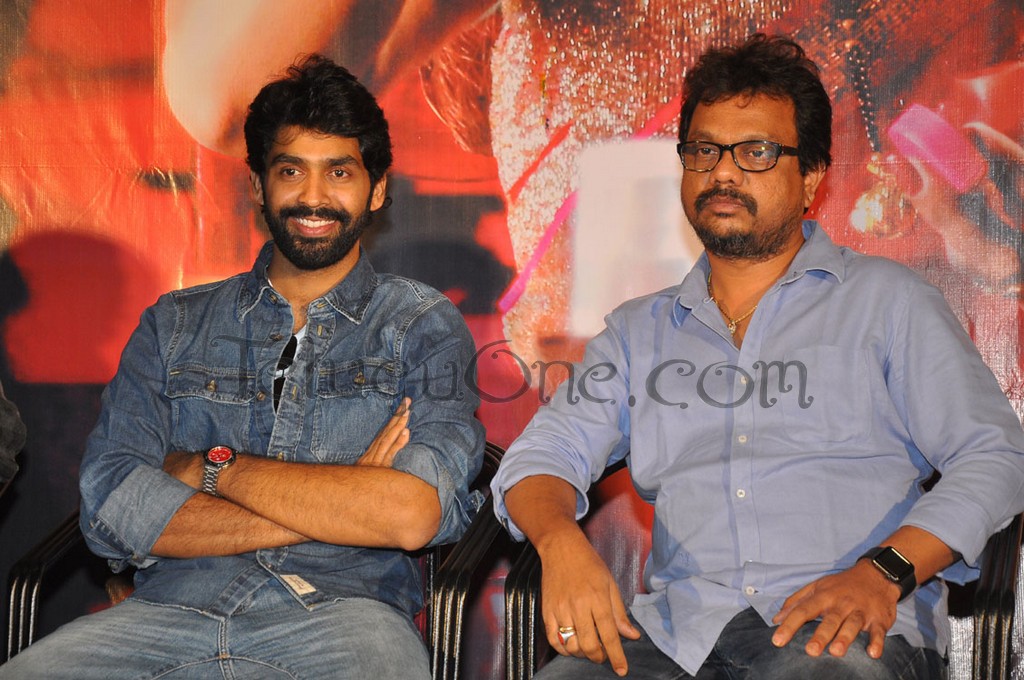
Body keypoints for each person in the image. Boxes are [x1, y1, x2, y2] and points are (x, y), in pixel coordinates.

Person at [490, 34, 1024, 679]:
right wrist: (560, 542)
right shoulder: (638, 333)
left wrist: (883, 572)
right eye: (704, 150)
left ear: (812, 178)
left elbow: (994, 456)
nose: (723, 172)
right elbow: (541, 457)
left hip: (843, 628)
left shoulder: (889, 302)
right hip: (676, 638)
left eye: (756, 152)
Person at [0, 54, 484, 679]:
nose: (314, 197)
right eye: (291, 171)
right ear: (258, 186)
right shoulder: (174, 324)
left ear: (377, 189)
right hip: (165, 615)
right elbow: (113, 509)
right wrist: (342, 501)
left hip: (346, 621)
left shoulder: (421, 324)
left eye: (339, 171)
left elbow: (411, 515)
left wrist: (212, 466)